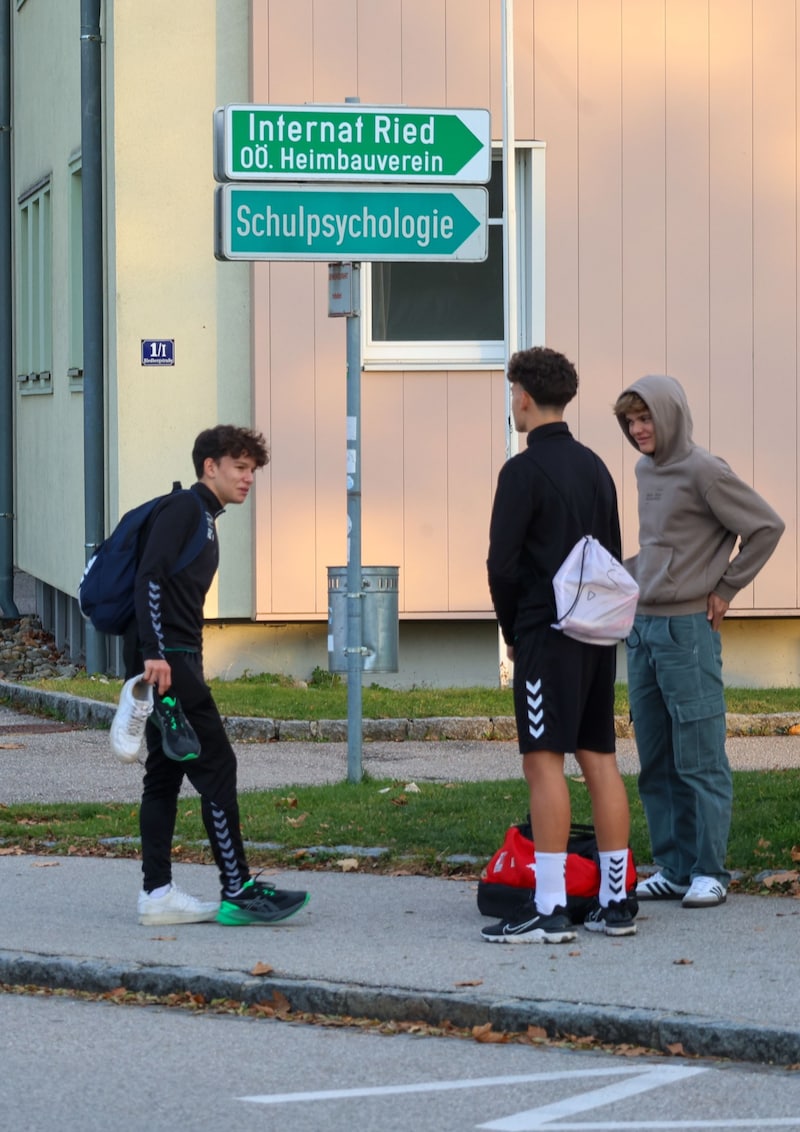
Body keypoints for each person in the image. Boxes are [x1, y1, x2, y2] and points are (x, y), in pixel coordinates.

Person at [120, 424, 310, 927]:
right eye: (241, 468)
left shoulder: (204, 516)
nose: (249, 479)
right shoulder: (186, 510)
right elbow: (151, 578)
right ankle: (238, 889)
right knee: (218, 766)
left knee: (163, 775)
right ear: (211, 466)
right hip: (169, 664)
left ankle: (156, 894)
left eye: (252, 470)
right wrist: (155, 655)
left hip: (174, 659)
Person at [483, 347, 636, 944]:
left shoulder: (520, 472)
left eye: (511, 391)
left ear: (522, 393)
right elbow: (611, 554)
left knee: (542, 761)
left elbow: (502, 563)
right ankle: (616, 902)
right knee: (599, 758)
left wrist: (511, 631)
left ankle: (546, 909)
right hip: (596, 635)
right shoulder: (596, 465)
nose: (512, 402)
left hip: (546, 633)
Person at [614, 376, 784, 908]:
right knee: (656, 758)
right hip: (642, 629)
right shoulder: (646, 470)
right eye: (631, 421)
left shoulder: (705, 471)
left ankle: (710, 869)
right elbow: (661, 547)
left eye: (647, 419)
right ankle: (674, 866)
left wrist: (727, 587)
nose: (639, 430)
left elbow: (766, 526)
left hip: (688, 630)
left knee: (700, 755)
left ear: (670, 416)